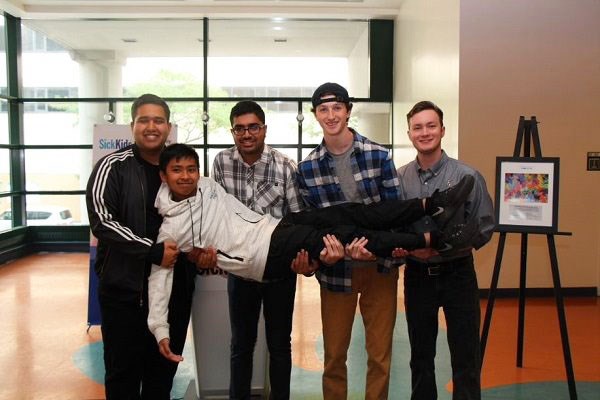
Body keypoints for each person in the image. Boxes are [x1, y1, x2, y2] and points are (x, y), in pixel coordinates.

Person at [147, 143, 475, 362]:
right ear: (164, 176)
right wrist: (160, 329)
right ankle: (435, 239)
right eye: (177, 170)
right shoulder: (171, 231)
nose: (187, 176)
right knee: (344, 235)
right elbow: (159, 280)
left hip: (273, 227)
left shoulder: (206, 184)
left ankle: (432, 204)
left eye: (191, 168)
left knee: (350, 212)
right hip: (262, 257)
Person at [295, 82, 402, 400]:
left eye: (337, 108)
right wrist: (321, 257)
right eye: (323, 110)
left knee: (380, 356)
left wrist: (376, 249)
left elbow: (395, 213)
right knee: (334, 357)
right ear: (315, 115)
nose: (331, 115)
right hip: (336, 272)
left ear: (348, 111)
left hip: (379, 269)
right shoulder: (307, 168)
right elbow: (309, 226)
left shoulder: (378, 156)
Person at [86, 93, 195, 399]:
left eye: (158, 120)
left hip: (173, 294)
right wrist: (152, 251)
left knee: (162, 377)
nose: (151, 126)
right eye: (144, 120)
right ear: (132, 125)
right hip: (124, 293)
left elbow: (200, 220)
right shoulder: (112, 166)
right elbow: (102, 222)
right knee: (123, 377)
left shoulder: (180, 169)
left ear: (168, 126)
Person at [398, 100, 495, 400]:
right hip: (418, 277)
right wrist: (411, 251)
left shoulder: (468, 176)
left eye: (430, 126)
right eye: (418, 127)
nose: (424, 132)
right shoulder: (400, 179)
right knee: (421, 356)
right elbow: (393, 227)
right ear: (409, 133)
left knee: (466, 356)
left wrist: (451, 245)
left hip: (458, 274)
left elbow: (485, 225)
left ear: (442, 130)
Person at [212, 100, 304, 400]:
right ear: (233, 131)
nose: (246, 134)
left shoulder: (285, 166)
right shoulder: (221, 163)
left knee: (280, 345)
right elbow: (217, 213)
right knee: (241, 344)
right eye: (239, 128)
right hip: (240, 270)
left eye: (253, 127)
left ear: (264, 129)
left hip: (278, 271)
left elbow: (296, 218)